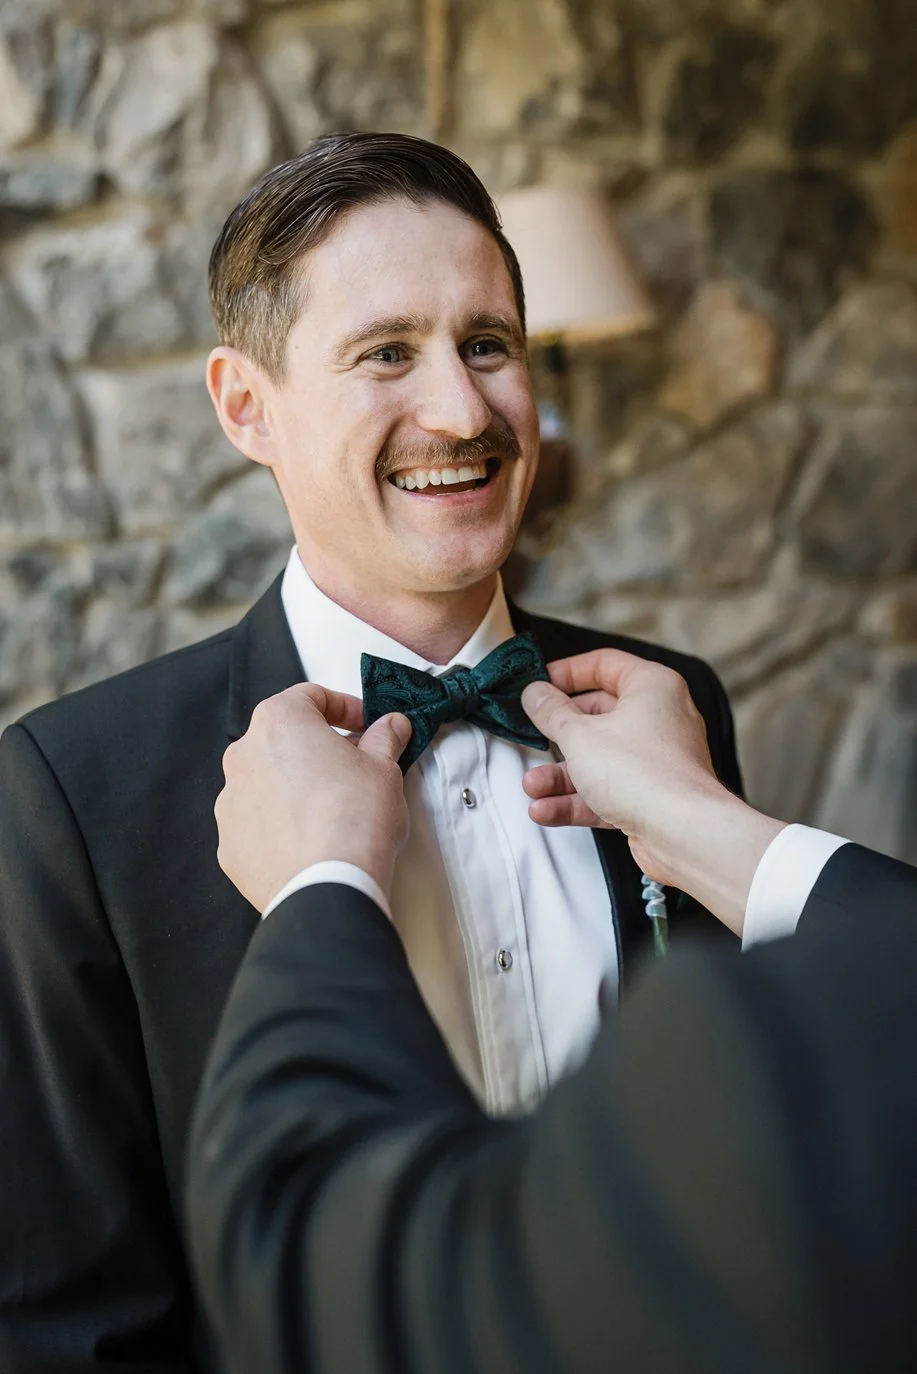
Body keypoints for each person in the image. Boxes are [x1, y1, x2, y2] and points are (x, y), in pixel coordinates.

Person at [0, 134, 741, 1371]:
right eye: (386, 352)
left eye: (487, 344)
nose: (461, 410)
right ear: (247, 407)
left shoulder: (670, 708)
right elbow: (69, 1319)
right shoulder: (75, 796)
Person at [188, 649, 917, 1374]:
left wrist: (321, 880)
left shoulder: (682, 701)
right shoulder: (88, 768)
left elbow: (311, 1281)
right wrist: (696, 821)